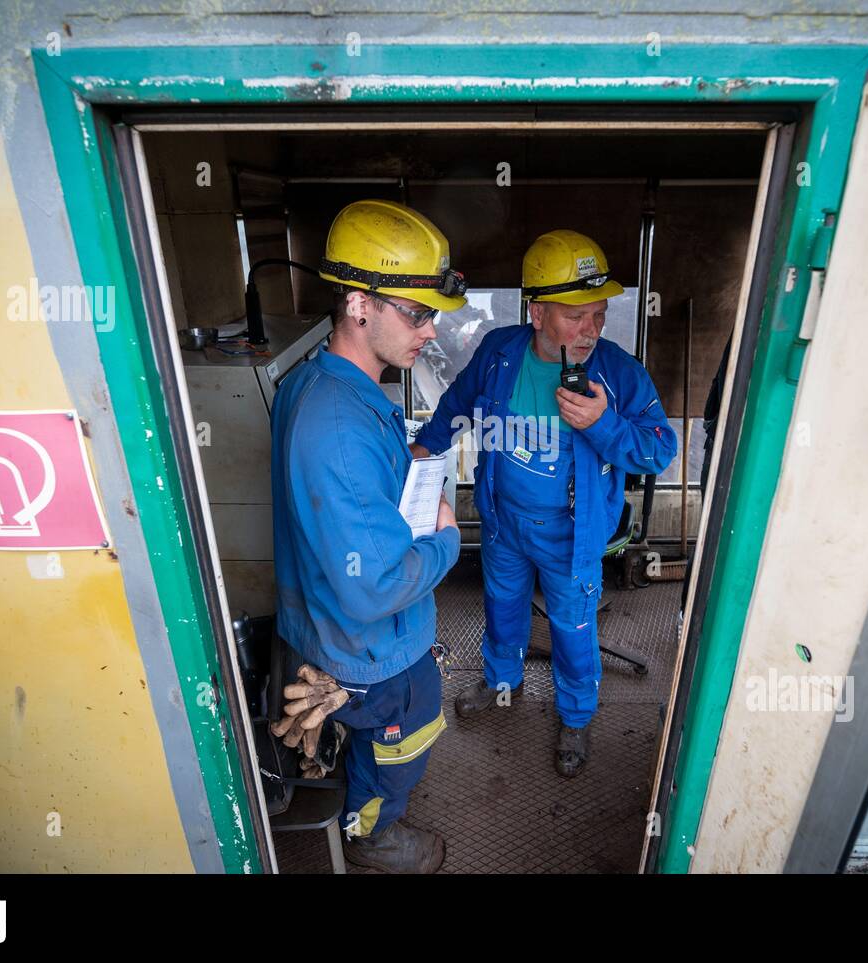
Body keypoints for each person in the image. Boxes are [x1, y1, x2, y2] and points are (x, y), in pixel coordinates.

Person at [412, 229, 676, 777]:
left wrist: (604, 424)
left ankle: (576, 715)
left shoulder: (618, 375)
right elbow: (457, 406)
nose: (592, 330)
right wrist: (422, 451)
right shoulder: (498, 353)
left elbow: (658, 451)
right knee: (501, 608)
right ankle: (502, 684)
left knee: (572, 626)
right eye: (575, 316)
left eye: (599, 315)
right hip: (504, 522)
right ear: (536, 313)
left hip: (571, 534)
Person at [271, 199, 466, 873]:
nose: (432, 331)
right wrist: (448, 539)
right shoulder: (337, 425)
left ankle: (370, 784)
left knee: (376, 738)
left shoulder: (326, 384)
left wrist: (400, 465)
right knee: (404, 737)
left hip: (329, 630)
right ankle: (373, 831)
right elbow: (377, 585)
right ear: (360, 303)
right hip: (371, 651)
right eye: (417, 313)